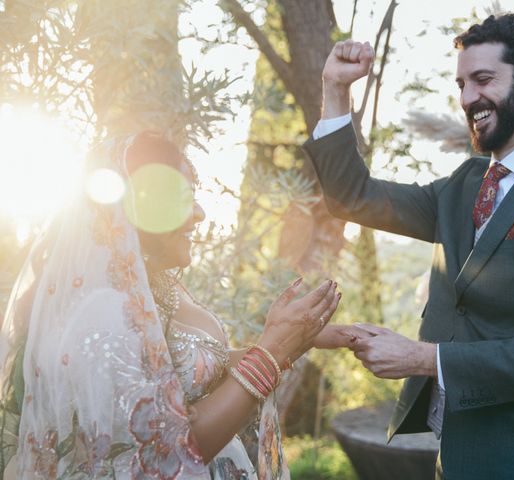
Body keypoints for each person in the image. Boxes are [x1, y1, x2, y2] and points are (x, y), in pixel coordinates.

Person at [303, 13, 514, 480]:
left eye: (483, 79)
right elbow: (353, 196)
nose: (468, 98)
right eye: (461, 84)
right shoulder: (462, 185)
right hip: (455, 455)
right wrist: (335, 90)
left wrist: (421, 358)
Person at [0, 131, 357, 479]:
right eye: (183, 198)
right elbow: (160, 454)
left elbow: (191, 371)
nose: (200, 213)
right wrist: (270, 354)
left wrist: (295, 339)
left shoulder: (156, 287)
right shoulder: (102, 315)